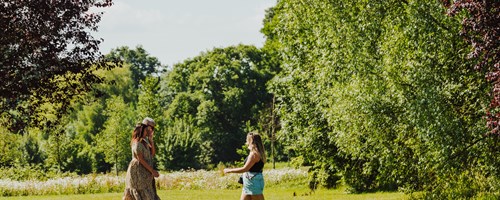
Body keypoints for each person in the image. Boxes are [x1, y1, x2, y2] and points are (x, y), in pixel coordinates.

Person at [123, 117, 160, 200]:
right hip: (138, 174)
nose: (152, 130)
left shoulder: (145, 141)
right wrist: (152, 171)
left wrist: (151, 140)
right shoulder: (137, 143)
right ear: (145, 127)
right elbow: (141, 159)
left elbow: (152, 154)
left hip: (146, 174)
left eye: (153, 128)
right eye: (151, 127)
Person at [224, 132, 266, 200]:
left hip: (252, 181)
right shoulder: (256, 152)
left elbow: (245, 169)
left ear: (251, 141)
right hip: (250, 181)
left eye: (247, 140)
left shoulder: (254, 155)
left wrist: (229, 170)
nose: (246, 142)